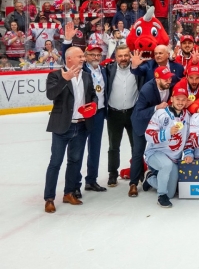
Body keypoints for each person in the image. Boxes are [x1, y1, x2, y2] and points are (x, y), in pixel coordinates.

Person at [44, 46, 98, 213]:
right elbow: (51, 95)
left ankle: (68, 192)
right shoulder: (55, 75)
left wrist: (93, 104)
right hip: (62, 127)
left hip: (81, 126)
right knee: (56, 162)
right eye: (80, 56)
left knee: (75, 162)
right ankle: (49, 198)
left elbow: (91, 95)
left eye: (83, 56)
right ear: (69, 59)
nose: (83, 58)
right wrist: (64, 79)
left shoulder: (87, 76)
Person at [128, 66, 174, 197]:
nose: (168, 81)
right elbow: (139, 112)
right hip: (142, 124)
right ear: (157, 78)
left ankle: (152, 176)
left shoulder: (169, 84)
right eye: (165, 79)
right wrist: (156, 107)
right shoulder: (147, 90)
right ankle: (133, 183)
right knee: (138, 152)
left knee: (160, 151)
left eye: (170, 77)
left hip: (159, 124)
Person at [142, 86, 191, 208]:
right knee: (166, 166)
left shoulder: (188, 116)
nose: (180, 102)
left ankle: (150, 177)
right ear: (172, 99)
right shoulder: (161, 113)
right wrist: (168, 133)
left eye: (183, 99)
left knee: (171, 193)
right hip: (155, 153)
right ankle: (161, 196)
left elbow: (189, 138)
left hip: (173, 158)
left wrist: (189, 153)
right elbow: (148, 135)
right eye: (178, 99)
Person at [105, 45, 144, 187]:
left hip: (133, 114)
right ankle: (112, 174)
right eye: (120, 56)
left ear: (130, 56)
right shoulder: (108, 70)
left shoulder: (137, 70)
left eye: (126, 55)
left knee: (137, 146)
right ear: (115, 57)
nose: (123, 59)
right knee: (113, 146)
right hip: (114, 114)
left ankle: (138, 172)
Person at [81, 44, 108, 193]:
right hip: (83, 114)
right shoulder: (81, 69)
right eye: (92, 54)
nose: (96, 57)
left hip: (99, 113)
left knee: (95, 148)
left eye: (98, 55)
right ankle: (73, 185)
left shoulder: (103, 70)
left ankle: (91, 180)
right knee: (77, 150)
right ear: (86, 56)